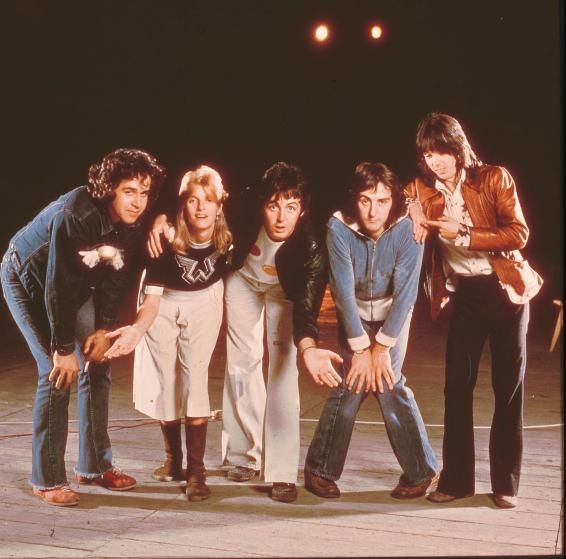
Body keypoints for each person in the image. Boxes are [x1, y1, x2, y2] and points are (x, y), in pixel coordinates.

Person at [0, 148, 165, 506]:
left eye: (144, 192)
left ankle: (94, 466)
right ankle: (46, 479)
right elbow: (56, 285)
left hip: (75, 283)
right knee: (56, 373)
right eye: (129, 191)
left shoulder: (132, 219)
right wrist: (62, 349)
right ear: (110, 189)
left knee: (97, 361)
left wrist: (103, 330)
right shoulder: (78, 214)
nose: (138, 202)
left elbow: (114, 275)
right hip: (28, 279)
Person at [405, 112, 542, 509]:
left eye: (443, 151)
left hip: (505, 291)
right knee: (456, 388)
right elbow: (405, 193)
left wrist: (464, 234)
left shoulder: (493, 178)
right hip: (466, 295)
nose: (437, 161)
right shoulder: (422, 187)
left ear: (458, 147)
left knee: (508, 389)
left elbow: (519, 233)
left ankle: (505, 485)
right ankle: (457, 481)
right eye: (429, 154)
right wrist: (413, 208)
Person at [303, 162, 439, 500]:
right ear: (354, 199)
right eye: (365, 200)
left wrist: (381, 349)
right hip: (356, 316)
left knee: (387, 380)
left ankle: (421, 472)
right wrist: (361, 349)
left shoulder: (410, 227)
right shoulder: (338, 227)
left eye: (381, 201)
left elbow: (407, 294)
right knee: (351, 381)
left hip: (395, 315)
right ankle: (319, 470)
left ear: (393, 199)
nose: (373, 210)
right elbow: (343, 293)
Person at [104, 165, 231, 502]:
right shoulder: (163, 240)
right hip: (162, 301)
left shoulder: (233, 231)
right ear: (182, 204)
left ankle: (196, 472)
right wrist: (136, 329)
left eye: (208, 200)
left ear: (221, 205)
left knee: (196, 377)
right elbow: (153, 300)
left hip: (205, 298)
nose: (201, 207)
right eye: (192, 200)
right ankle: (174, 461)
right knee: (166, 380)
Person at [221, 162, 333, 503]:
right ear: (261, 205)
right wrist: (161, 219)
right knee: (242, 363)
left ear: (303, 208)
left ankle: (282, 472)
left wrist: (309, 346)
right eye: (273, 206)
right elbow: (197, 203)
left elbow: (308, 305)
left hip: (284, 289)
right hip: (242, 278)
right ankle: (242, 455)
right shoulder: (240, 208)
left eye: (291, 206)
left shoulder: (311, 246)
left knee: (283, 371)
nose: (282, 217)